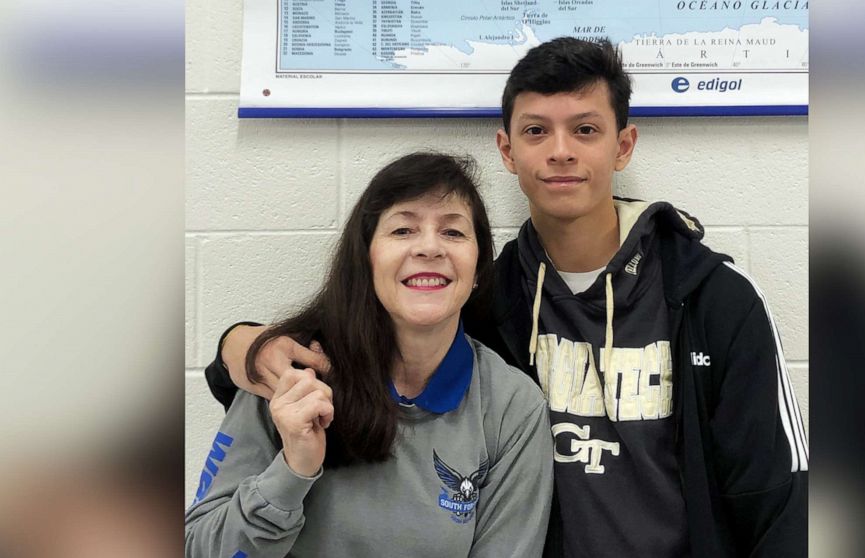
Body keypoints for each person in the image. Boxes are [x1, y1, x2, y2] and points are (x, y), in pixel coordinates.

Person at [206, 38, 808, 557]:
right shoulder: (485, 298)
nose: (561, 151)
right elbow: (333, 341)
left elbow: (778, 500)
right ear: (507, 150)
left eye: (586, 130)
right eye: (536, 131)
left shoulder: (714, 299)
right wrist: (239, 345)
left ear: (623, 146)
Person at [186, 152, 554, 558]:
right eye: (402, 230)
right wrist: (292, 472)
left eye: (453, 233)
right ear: (367, 257)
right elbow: (199, 548)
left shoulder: (512, 407)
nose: (429, 247)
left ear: (479, 264)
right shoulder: (290, 371)